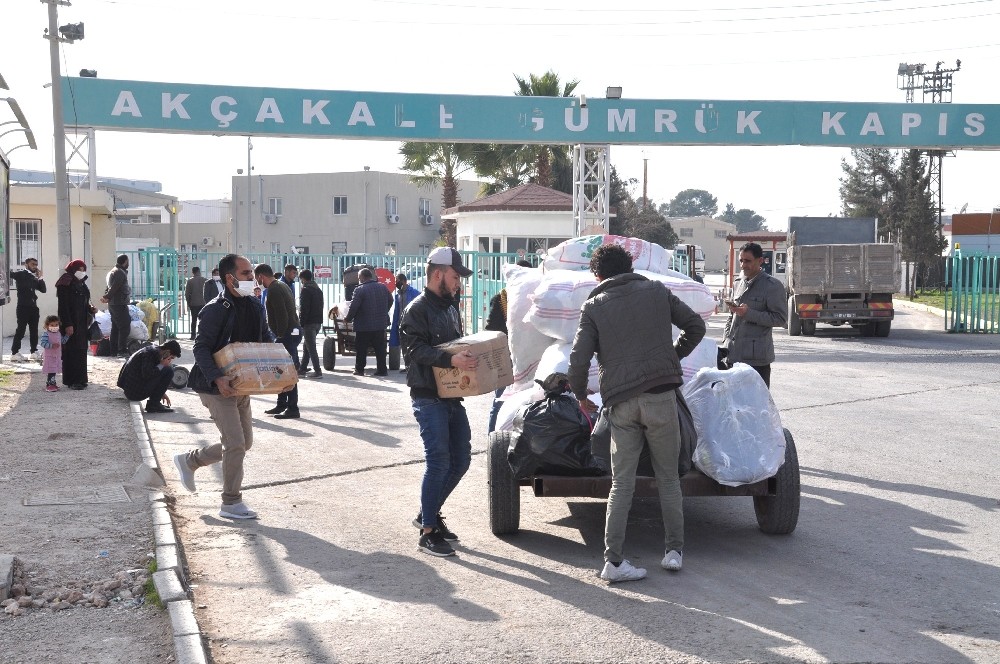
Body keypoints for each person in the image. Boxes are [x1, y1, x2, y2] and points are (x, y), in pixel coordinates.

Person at [568, 244, 706, 583]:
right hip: (661, 398)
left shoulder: (593, 307)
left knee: (622, 484)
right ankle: (673, 551)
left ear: (597, 276)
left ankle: (613, 563)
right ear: (629, 266)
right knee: (668, 477)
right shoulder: (657, 291)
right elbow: (696, 328)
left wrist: (580, 396)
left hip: (621, 403)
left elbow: (577, 362)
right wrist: (672, 357)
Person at [174, 254, 278, 520]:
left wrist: (281, 371)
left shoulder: (256, 306)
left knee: (244, 443)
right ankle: (230, 502)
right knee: (235, 444)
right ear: (229, 278)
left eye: (252, 273)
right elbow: (201, 347)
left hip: (241, 384)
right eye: (245, 274)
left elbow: (265, 339)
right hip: (214, 386)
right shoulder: (215, 309)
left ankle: (190, 460)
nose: (251, 279)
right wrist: (217, 378)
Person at [400, 247, 478, 557]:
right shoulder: (416, 309)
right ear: (438, 274)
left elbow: (454, 345)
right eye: (456, 276)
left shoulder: (450, 306)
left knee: (461, 460)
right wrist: (451, 360)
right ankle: (428, 532)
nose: (459, 282)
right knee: (439, 462)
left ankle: (427, 514)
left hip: (450, 397)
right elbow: (414, 351)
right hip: (428, 397)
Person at [722, 242, 788, 388]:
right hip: (733, 356)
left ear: (760, 261)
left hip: (756, 360)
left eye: (748, 261)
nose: (743, 265)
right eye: (741, 260)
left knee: (756, 406)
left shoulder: (772, 286)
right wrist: (726, 339)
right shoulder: (738, 283)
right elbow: (731, 317)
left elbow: (780, 319)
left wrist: (749, 314)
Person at [484, 260, 532, 432]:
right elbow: (491, 330)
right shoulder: (501, 299)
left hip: (530, 359)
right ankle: (494, 441)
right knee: (501, 402)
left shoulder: (537, 297)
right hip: (508, 361)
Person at [255, 263, 302, 419]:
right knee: (281, 371)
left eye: (256, 279)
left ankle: (293, 407)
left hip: (286, 335)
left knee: (288, 372)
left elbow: (282, 315)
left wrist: (279, 336)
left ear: (261, 276)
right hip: (291, 333)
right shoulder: (280, 285)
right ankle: (282, 404)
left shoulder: (274, 289)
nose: (256, 282)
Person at [55, 259, 96, 390]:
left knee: (81, 350)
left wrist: (90, 308)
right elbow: (63, 306)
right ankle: (72, 380)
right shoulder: (65, 282)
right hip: (71, 323)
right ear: (73, 269)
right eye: (80, 269)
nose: (82, 272)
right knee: (71, 351)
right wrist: (67, 324)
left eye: (83, 269)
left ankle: (81, 379)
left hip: (82, 324)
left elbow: (84, 301)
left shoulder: (81, 283)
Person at [345, 268, 392, 377]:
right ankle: (382, 370)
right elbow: (390, 301)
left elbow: (354, 307)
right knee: (380, 349)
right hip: (380, 325)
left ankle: (359, 369)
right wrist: (384, 311)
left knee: (361, 348)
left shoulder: (360, 289)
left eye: (359, 277)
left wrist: (348, 318)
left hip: (364, 326)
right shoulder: (383, 287)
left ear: (361, 277)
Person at [117, 340, 182, 414]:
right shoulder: (149, 354)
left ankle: (154, 403)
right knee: (168, 371)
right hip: (133, 393)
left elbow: (152, 375)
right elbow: (147, 375)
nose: (170, 360)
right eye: (171, 358)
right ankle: (153, 405)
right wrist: (162, 364)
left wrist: (161, 392)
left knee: (164, 369)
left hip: (131, 389)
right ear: (167, 352)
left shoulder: (152, 351)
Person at [9, 257, 46, 362]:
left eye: (36, 264)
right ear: (26, 264)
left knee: (34, 330)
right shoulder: (21, 274)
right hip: (23, 307)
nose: (34, 266)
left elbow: (43, 290)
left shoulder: (34, 277)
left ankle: (34, 351)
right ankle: (14, 352)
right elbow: (9, 274)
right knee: (21, 330)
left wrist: (40, 277)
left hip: (33, 308)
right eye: (32, 264)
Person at [102, 254, 132, 357]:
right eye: (128, 261)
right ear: (125, 261)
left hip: (114, 304)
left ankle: (113, 351)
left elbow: (109, 287)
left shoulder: (113, 271)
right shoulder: (119, 272)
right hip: (119, 304)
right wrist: (107, 296)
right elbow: (115, 287)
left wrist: (107, 297)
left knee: (115, 327)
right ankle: (121, 350)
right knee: (125, 326)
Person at [390, 272, 420, 374]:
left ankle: (413, 366)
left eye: (398, 281)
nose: (396, 284)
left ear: (403, 281)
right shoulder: (398, 295)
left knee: (412, 345)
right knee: (403, 346)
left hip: (412, 324)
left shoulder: (414, 293)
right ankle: (408, 365)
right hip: (401, 323)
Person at [297, 268, 324, 378]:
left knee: (311, 347)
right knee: (307, 346)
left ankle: (318, 371)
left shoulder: (306, 290)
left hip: (309, 323)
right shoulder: (318, 289)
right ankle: (302, 369)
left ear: (303, 278)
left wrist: (301, 323)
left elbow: (304, 308)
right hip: (317, 322)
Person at [39, 315, 68, 392]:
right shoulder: (46, 334)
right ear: (47, 325)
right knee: (51, 370)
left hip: (57, 356)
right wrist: (51, 345)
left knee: (54, 370)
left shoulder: (58, 333)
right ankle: (49, 385)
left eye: (56, 325)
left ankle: (53, 383)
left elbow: (62, 341)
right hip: (49, 356)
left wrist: (67, 336)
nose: (54, 327)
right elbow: (43, 343)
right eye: (52, 325)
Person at [185, 266, 208, 340]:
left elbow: (187, 293)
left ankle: (193, 335)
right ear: (199, 271)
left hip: (194, 303)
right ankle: (202, 335)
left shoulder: (190, 281)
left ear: (193, 272)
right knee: (203, 320)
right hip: (204, 303)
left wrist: (188, 303)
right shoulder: (205, 280)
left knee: (194, 320)